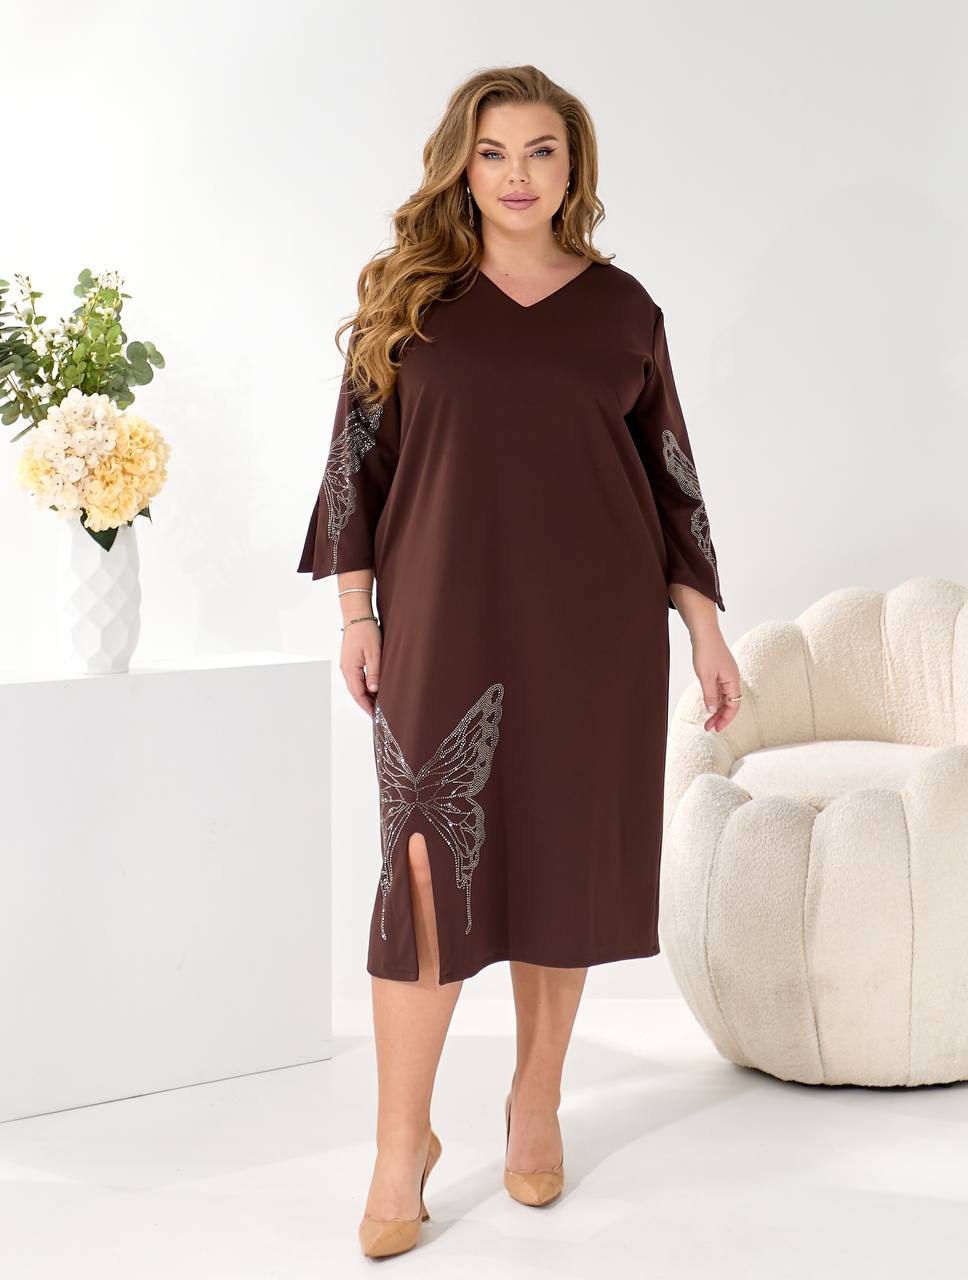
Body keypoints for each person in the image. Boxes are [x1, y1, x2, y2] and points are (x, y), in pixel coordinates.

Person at [297, 64, 742, 1258]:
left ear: (571, 166)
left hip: (597, 629)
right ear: (461, 162)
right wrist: (356, 611)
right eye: (493, 152)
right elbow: (353, 467)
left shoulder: (623, 308)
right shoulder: (411, 299)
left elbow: (671, 479)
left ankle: (533, 1099)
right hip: (445, 618)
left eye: (541, 151)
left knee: (559, 862)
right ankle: (401, 1142)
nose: (516, 175)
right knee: (423, 872)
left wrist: (703, 626)